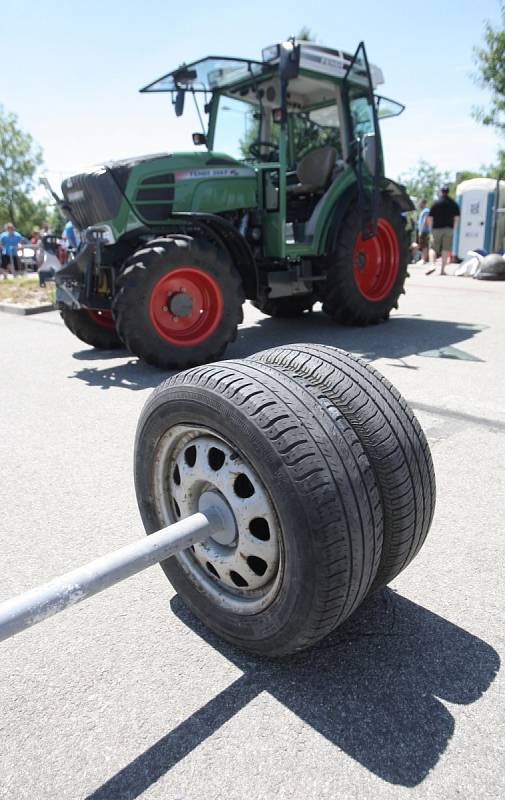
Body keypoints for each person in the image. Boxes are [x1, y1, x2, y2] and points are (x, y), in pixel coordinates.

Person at [425, 186, 460, 276]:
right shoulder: (453, 203)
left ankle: (432, 265)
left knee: (432, 247)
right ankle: (442, 270)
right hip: (449, 229)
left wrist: (431, 228)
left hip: (436, 228)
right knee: (445, 249)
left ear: (441, 192)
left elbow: (430, 217)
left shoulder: (436, 203)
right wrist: (454, 229)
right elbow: (456, 218)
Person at [417, 198, 431, 264]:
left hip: (424, 231)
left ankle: (424, 259)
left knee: (424, 245)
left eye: (420, 203)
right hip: (422, 230)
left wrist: (421, 230)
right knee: (422, 245)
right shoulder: (423, 211)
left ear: (423, 203)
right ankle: (423, 259)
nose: (419, 204)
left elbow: (425, 220)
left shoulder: (426, 210)